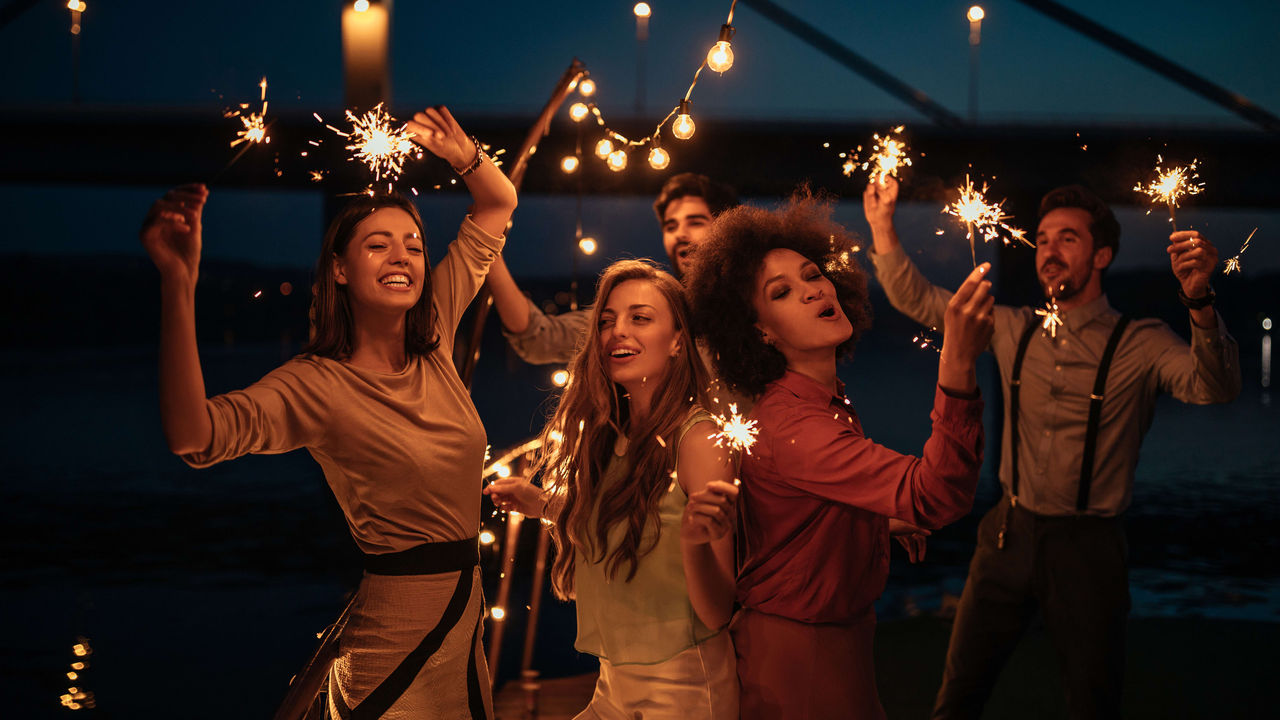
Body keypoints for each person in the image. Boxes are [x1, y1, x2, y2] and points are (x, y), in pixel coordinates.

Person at [140, 106, 518, 719]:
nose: (403, 257)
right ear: (339, 270)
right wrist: (178, 285)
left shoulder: (436, 339)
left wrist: (462, 154)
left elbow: (497, 204)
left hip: (462, 626)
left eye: (414, 247)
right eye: (378, 244)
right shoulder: (317, 386)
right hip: (394, 643)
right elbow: (194, 437)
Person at [862, 177, 1242, 719]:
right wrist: (881, 227)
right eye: (1041, 239)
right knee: (958, 696)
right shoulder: (1015, 327)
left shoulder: (1143, 341)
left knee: (1092, 700)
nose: (1049, 251)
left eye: (1068, 238)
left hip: (1089, 546)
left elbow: (1216, 387)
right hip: (1006, 532)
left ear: (1102, 254)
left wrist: (1200, 300)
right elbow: (923, 301)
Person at [685, 192, 993, 719]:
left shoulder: (818, 402)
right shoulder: (799, 427)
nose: (811, 292)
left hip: (829, 646)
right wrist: (959, 365)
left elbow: (798, 516)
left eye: (812, 275)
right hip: (801, 662)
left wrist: (875, 524)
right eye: (781, 292)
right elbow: (938, 495)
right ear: (759, 331)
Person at [485, 259, 740, 720]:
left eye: (639, 318)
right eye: (607, 321)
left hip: (681, 688)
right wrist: (539, 502)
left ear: (679, 341)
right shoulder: (614, 435)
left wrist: (694, 542)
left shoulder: (699, 440)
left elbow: (719, 610)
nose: (616, 332)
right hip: (613, 684)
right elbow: (632, 522)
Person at [489, 172, 738, 365]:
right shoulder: (658, 304)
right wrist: (488, 248)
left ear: (726, 228)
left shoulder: (752, 304)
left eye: (695, 222)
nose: (680, 234)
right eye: (671, 227)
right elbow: (540, 338)